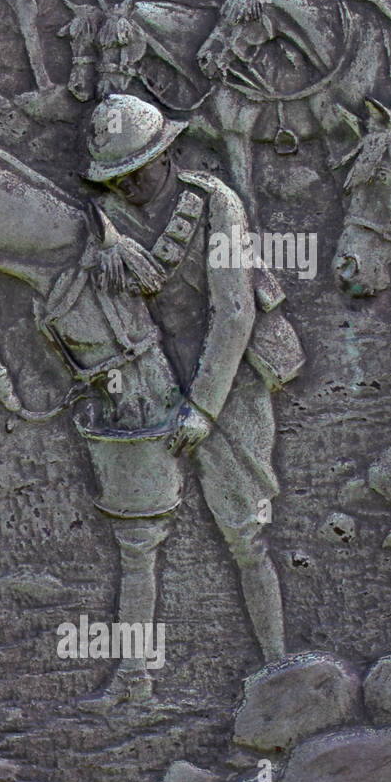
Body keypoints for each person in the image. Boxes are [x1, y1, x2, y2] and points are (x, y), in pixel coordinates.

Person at [80, 94, 297, 705]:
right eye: (115, 179)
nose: (128, 186)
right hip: (155, 382)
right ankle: (133, 679)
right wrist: (108, 234)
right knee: (138, 536)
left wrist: (203, 408)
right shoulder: (107, 214)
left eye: (138, 172)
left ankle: (280, 673)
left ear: (168, 155)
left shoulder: (214, 204)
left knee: (245, 532)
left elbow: (234, 313)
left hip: (228, 385)